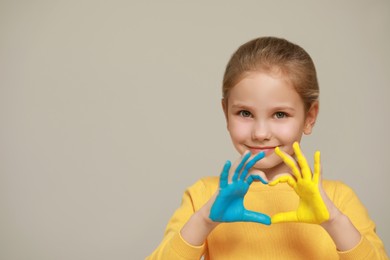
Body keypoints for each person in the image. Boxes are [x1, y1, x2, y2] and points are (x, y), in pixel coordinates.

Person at [146, 36, 388, 259]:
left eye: (280, 114)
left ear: (309, 117)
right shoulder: (203, 197)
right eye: (245, 113)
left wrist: (334, 221)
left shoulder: (338, 199)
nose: (260, 133)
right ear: (225, 113)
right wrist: (204, 221)